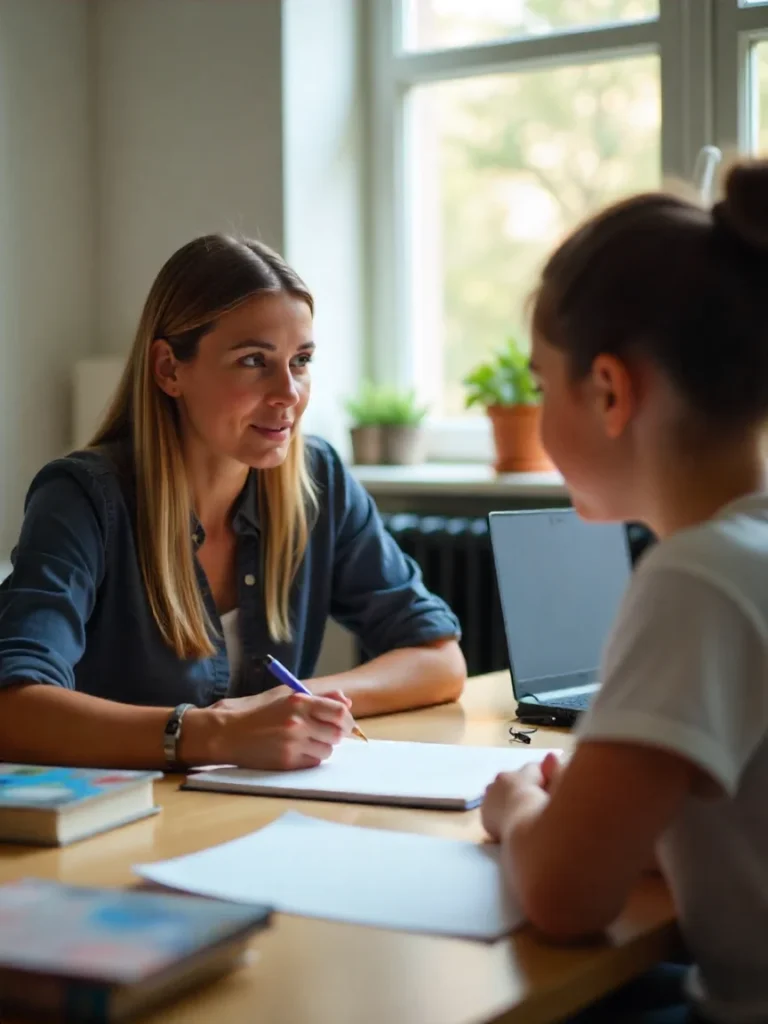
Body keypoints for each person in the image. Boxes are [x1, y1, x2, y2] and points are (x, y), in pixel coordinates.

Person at [0, 235, 465, 773]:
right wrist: (215, 732)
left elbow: (439, 659)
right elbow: (13, 708)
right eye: (253, 361)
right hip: (119, 822)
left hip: (251, 816)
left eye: (302, 360)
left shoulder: (318, 480)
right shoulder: (82, 498)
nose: (289, 392)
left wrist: (291, 706)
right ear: (169, 369)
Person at [481, 159, 768, 1023]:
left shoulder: (695, 579)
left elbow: (568, 901)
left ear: (609, 390)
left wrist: (519, 806)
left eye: (539, 384)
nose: (534, 414)